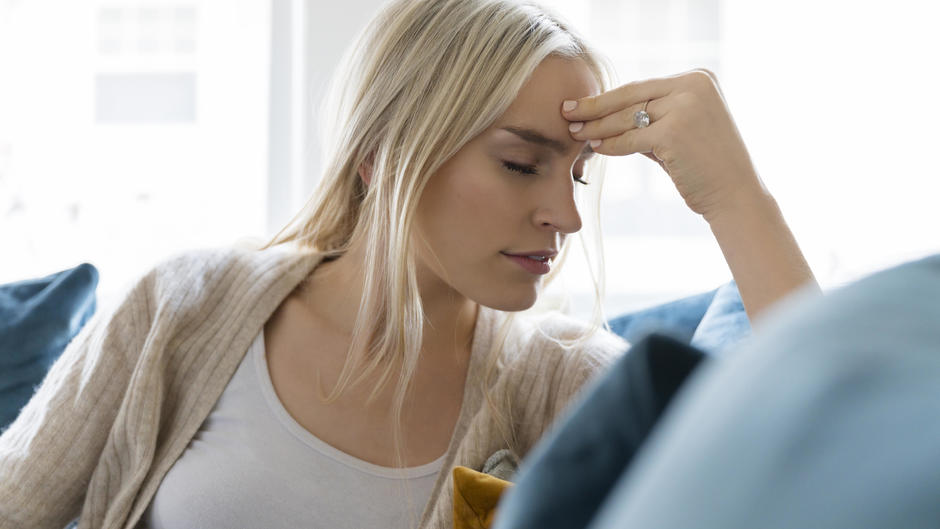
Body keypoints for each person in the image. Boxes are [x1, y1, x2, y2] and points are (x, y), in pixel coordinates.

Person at [0, 0, 816, 528]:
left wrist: (738, 199)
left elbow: (821, 476)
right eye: (521, 162)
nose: (566, 214)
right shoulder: (185, 307)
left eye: (577, 173)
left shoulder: (561, 384)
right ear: (384, 153)